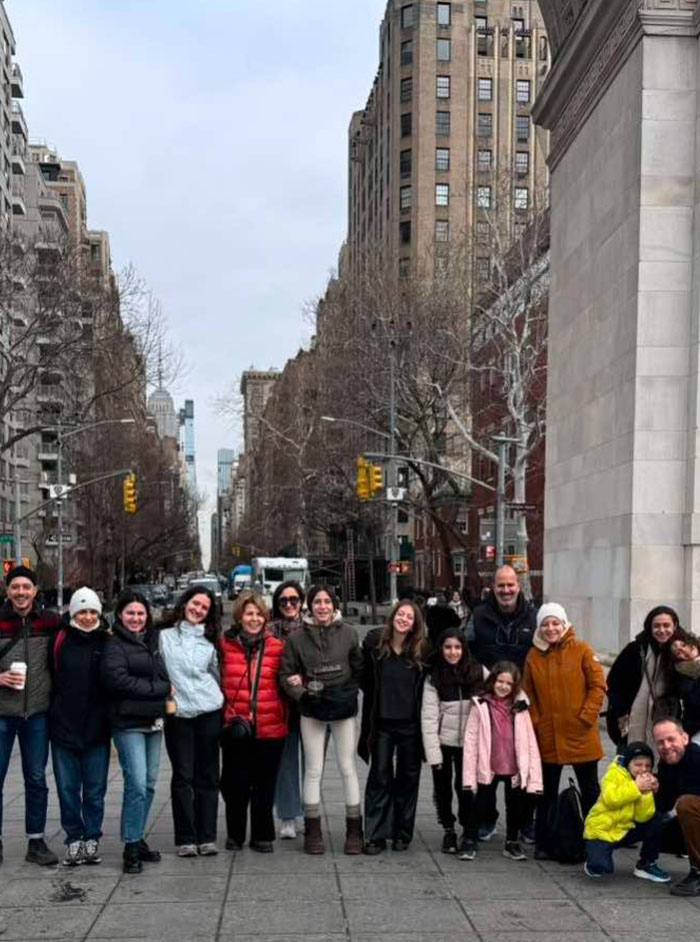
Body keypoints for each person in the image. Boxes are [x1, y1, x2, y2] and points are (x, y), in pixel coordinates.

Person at [279, 584, 363, 855]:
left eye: (327, 601)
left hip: (342, 709)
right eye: (318, 602)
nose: (323, 607)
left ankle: (354, 831)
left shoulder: (349, 633)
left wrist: (349, 692)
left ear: (334, 605)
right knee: (313, 770)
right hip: (312, 709)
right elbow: (286, 674)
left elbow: (359, 668)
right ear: (310, 606)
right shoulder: (296, 639)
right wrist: (302, 694)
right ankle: (313, 831)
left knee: (347, 768)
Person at [522, 602, 606, 860]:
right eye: (545, 624)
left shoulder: (582, 650)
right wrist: (537, 722)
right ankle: (545, 842)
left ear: (564, 624)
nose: (551, 628)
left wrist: (587, 716)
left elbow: (597, 685)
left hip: (580, 732)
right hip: (548, 734)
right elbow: (528, 694)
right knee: (545, 793)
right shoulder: (533, 656)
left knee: (590, 791)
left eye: (555, 623)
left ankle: (596, 841)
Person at [101, 589, 170, 874]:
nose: (136, 618)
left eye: (141, 613)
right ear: (120, 614)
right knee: (137, 784)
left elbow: (165, 676)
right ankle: (130, 845)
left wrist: (157, 689)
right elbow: (118, 681)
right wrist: (156, 690)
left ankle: (138, 836)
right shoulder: (113, 644)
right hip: (127, 722)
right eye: (130, 612)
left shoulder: (152, 640)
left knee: (150, 783)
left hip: (153, 721)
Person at [468, 565, 536, 840]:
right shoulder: (478, 615)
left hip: (521, 701)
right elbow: (466, 651)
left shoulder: (533, 615)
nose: (506, 590)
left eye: (510, 585)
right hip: (489, 700)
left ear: (518, 586)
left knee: (523, 764)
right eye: (501, 585)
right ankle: (487, 818)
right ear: (493, 588)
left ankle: (524, 822)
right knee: (487, 761)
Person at [0, 565, 60, 866]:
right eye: (15, 587)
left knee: (36, 779)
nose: (21, 592)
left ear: (35, 590)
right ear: (7, 590)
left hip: (37, 715)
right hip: (2, 714)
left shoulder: (50, 621)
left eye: (26, 587)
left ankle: (36, 842)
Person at [219, 591, 287, 852]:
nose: (254, 619)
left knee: (264, 785)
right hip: (235, 726)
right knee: (235, 784)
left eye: (259, 614)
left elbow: (287, 678)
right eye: (249, 614)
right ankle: (235, 834)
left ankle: (262, 835)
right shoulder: (225, 645)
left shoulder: (277, 647)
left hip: (271, 726)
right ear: (239, 616)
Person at [159, 584, 223, 857]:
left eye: (204, 608)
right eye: (195, 603)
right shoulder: (163, 637)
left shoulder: (211, 641)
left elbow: (217, 674)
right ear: (185, 603)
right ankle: (186, 838)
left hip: (209, 711)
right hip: (178, 714)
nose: (198, 610)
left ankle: (207, 836)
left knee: (208, 776)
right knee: (183, 776)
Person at [49, 587, 111, 867]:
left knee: (95, 791)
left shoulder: (107, 641)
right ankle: (74, 837)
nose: (87, 617)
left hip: (97, 730)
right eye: (82, 611)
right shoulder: (59, 640)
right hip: (63, 727)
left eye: (92, 612)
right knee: (67, 789)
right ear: (73, 613)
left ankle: (92, 837)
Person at [358, 600, 426, 854]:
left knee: (408, 779)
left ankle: (402, 833)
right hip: (382, 723)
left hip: (411, 725)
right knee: (379, 777)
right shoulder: (375, 647)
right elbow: (362, 677)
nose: (403, 619)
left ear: (415, 624)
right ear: (393, 616)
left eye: (409, 617)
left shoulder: (421, 652)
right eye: (400, 614)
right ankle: (376, 835)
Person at [461, 661, 543, 862]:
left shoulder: (520, 708)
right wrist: (469, 773)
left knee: (515, 807)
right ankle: (469, 839)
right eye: (500, 681)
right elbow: (471, 740)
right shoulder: (481, 705)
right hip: (489, 766)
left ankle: (512, 841)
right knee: (480, 804)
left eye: (508, 683)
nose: (503, 686)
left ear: (514, 686)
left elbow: (529, 741)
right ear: (492, 680)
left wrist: (534, 774)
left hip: (514, 767)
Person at [421, 628, 484, 855]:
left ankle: (469, 830)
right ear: (441, 649)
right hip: (444, 742)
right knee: (443, 788)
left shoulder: (478, 671)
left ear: (464, 648)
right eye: (448, 647)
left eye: (457, 647)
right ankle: (448, 829)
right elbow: (428, 718)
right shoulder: (434, 677)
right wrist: (433, 755)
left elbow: (506, 685)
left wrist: (522, 701)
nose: (453, 652)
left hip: (470, 743)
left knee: (466, 788)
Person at [583, 741, 669, 882]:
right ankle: (591, 856)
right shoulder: (614, 774)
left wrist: (646, 793)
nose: (643, 769)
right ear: (628, 764)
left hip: (625, 829)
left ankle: (646, 863)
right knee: (600, 867)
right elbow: (611, 799)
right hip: (603, 830)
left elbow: (643, 817)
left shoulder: (644, 781)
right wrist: (635, 787)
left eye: (648, 766)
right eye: (638, 765)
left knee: (656, 819)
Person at [606, 606, 679, 748]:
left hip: (670, 720)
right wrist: (621, 711)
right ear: (649, 627)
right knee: (633, 756)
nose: (662, 630)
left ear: (674, 626)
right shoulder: (635, 649)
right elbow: (614, 682)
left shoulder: (682, 651)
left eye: (666, 625)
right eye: (656, 626)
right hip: (633, 720)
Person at [268, 580, 305, 839]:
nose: (289, 604)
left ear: (301, 602)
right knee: (286, 763)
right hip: (281, 704)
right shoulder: (269, 631)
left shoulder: (313, 627)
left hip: (310, 702)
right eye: (283, 600)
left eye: (294, 600)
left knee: (313, 764)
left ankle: (311, 812)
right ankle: (288, 816)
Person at [653, 717, 700, 896]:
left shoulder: (696, 758)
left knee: (687, 805)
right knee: (663, 837)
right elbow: (664, 804)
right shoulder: (667, 763)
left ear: (685, 738)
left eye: (671, 739)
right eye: (660, 742)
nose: (666, 746)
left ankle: (698, 871)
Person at [669, 628, 700, 744]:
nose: (683, 650)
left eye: (683, 645)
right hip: (695, 728)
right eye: (678, 652)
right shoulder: (681, 674)